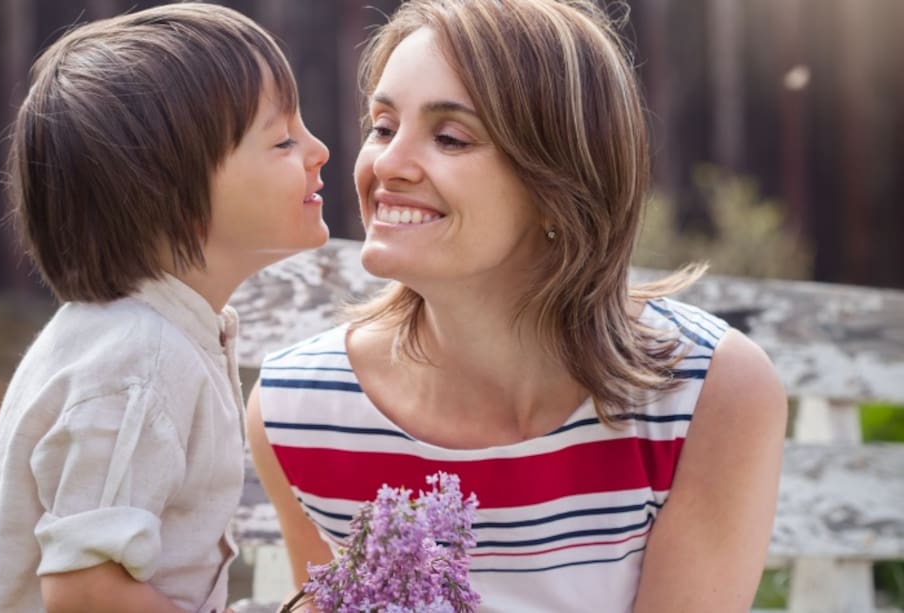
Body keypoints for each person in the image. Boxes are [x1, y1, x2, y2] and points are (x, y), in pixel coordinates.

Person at [247, 0, 787, 611]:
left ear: (559, 186)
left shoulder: (705, 391)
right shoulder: (300, 411)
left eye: (450, 137)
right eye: (382, 126)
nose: (389, 164)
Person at [0, 3, 330, 612]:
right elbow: (85, 592)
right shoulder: (139, 363)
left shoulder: (155, 336)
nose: (318, 149)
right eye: (282, 139)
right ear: (177, 201)